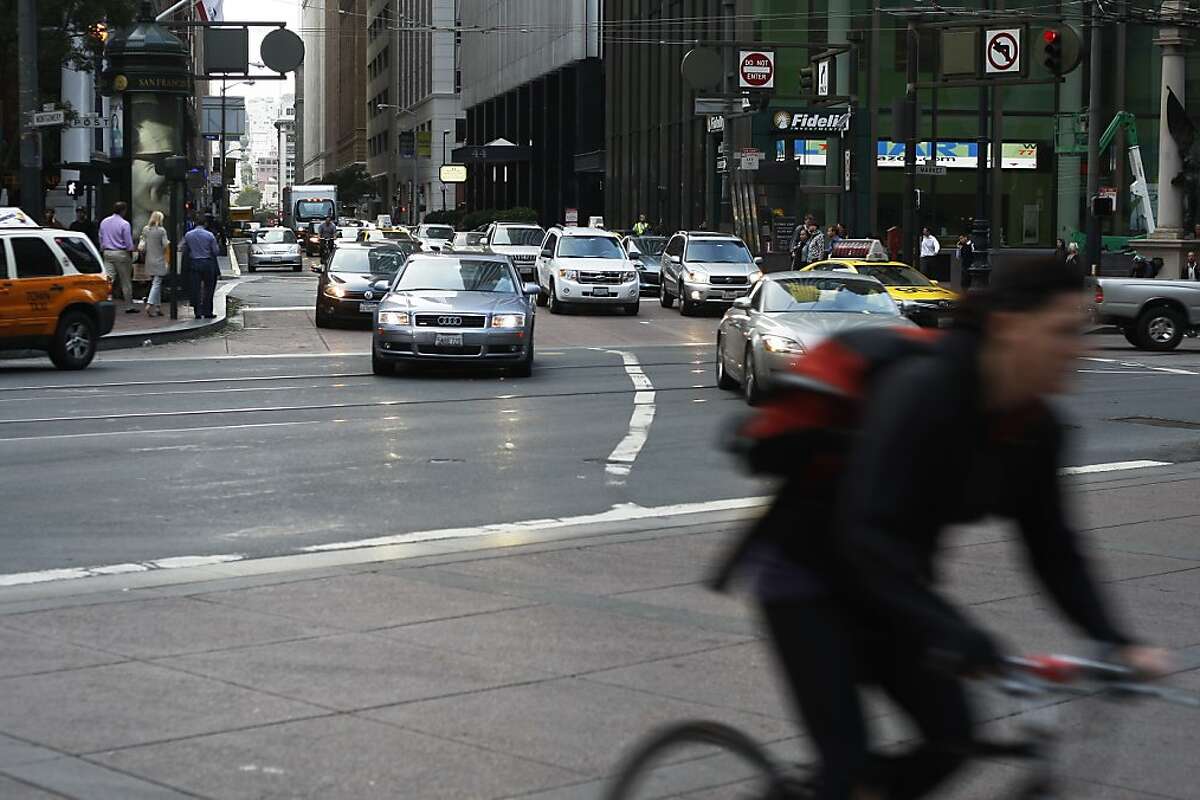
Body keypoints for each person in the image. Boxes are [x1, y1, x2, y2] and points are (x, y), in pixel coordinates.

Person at [721, 256, 1169, 800]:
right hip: (808, 580)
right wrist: (961, 635)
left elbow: (1054, 549)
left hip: (895, 593)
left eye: (1082, 331)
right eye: (1061, 331)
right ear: (1009, 325)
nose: (1079, 348)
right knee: (846, 772)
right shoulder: (924, 389)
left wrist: (1115, 643)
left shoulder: (1035, 429)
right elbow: (868, 532)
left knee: (954, 742)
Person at [182, 215, 222, 320]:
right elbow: (216, 251)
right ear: (205, 224)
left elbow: (183, 248)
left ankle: (197, 312)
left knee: (195, 288)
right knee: (209, 288)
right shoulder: (209, 235)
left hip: (194, 263)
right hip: (207, 263)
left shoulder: (188, 235)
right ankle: (207, 311)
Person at [99, 202, 137, 311]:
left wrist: (103, 249)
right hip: (121, 253)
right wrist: (131, 250)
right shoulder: (124, 224)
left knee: (108, 279)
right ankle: (129, 306)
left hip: (107, 252)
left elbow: (100, 237)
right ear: (123, 210)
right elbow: (128, 243)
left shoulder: (104, 222)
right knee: (126, 281)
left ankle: (105, 301)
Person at [139, 211, 170, 317]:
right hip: (159, 259)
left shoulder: (145, 229)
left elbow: (142, 245)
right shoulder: (161, 231)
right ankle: (149, 304)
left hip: (149, 260)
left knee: (156, 283)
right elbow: (165, 245)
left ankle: (158, 308)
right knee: (156, 284)